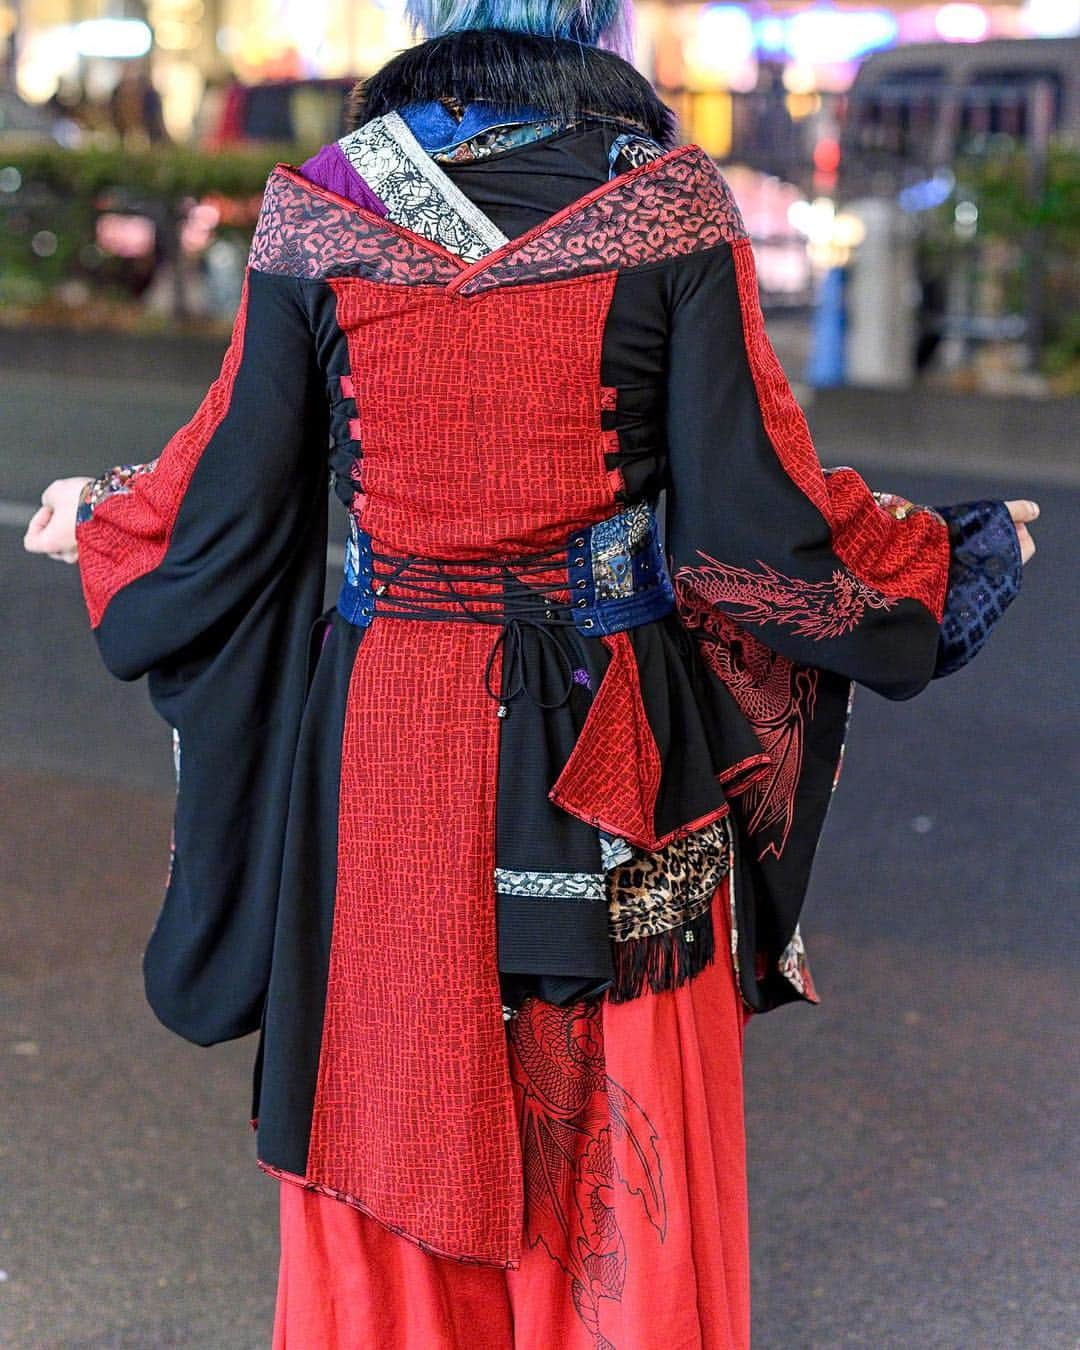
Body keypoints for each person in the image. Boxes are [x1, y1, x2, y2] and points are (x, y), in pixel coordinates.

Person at [24, 5, 1039, 1347]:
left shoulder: (322, 210)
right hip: (620, 743)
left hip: (390, 742)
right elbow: (759, 535)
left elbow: (227, 495)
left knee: (387, 1075)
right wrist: (943, 556)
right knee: (627, 1114)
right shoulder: (665, 203)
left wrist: (108, 515)